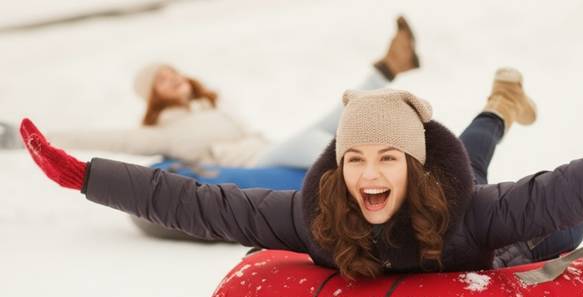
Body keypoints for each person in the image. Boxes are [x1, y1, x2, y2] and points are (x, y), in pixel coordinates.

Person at [17, 71, 583, 280]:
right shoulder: (314, 216)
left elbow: (574, 185)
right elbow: (198, 201)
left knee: (536, 198)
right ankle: (500, 101)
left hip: (516, 243)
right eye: (356, 158)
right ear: (340, 166)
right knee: (470, 165)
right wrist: (86, 175)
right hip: (450, 196)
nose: (369, 171)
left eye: (387, 158)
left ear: (407, 162)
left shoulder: (474, 209)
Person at [2, 16, 420, 171]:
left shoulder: (209, 105)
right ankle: (403, 167)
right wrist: (29, 136)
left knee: (342, 113)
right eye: (161, 81)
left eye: (172, 72)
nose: (173, 78)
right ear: (156, 98)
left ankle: (388, 67)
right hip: (255, 165)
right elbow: (101, 138)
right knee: (323, 140)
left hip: (270, 148)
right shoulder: (161, 132)